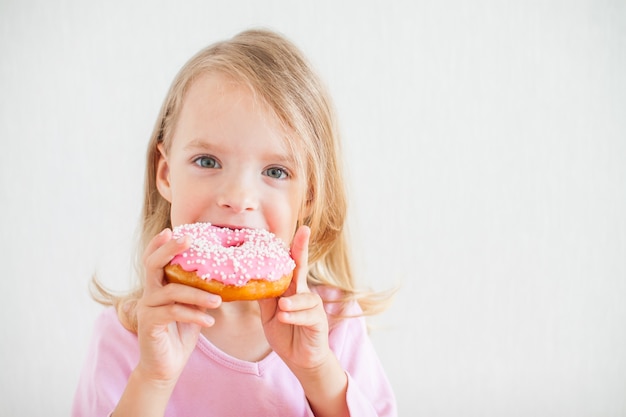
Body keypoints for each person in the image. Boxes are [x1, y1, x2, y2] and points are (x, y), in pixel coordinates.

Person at [72, 28, 396, 417]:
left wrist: (318, 372)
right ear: (166, 174)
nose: (238, 198)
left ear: (308, 195)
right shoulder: (129, 333)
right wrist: (152, 379)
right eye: (207, 161)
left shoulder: (333, 323)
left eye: (275, 171)